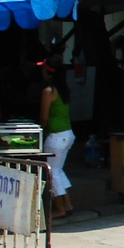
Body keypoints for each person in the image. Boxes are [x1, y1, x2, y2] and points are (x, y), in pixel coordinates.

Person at [37, 58, 74, 218]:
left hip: (56, 137)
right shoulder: (63, 90)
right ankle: (67, 205)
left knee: (51, 172)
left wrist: (39, 132)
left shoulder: (49, 91)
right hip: (67, 134)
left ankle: (60, 209)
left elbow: (43, 118)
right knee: (57, 170)